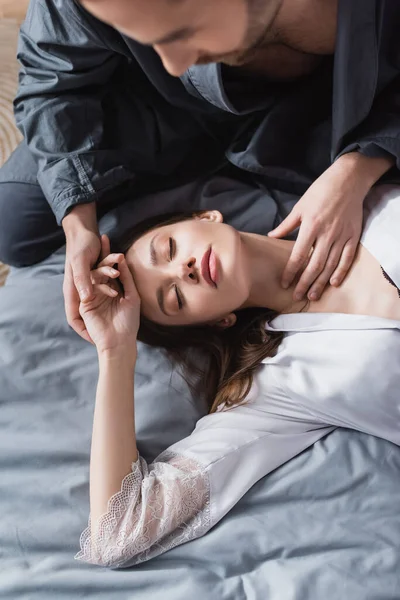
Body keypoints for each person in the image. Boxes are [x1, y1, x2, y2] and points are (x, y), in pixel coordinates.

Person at [0, 0, 399, 346]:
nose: (172, 62)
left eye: (180, 30)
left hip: (320, 110)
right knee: (13, 220)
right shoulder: (165, 60)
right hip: (161, 103)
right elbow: (49, 74)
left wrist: (358, 165)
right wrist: (79, 223)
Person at [73, 183, 400, 569]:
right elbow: (118, 534)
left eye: (170, 249)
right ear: (215, 322)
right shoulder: (274, 388)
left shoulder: (364, 198)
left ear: (206, 216)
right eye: (175, 297)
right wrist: (115, 352)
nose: (183, 270)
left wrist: (355, 170)